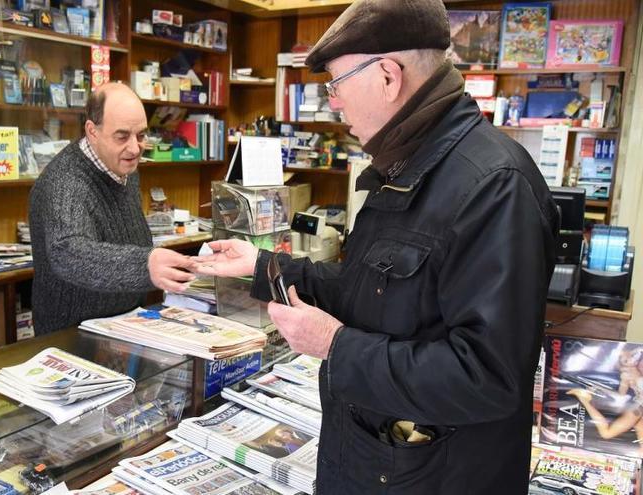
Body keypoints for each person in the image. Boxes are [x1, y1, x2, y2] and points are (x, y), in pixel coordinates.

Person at [193, 0, 559, 493]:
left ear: (387, 76)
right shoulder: (407, 166)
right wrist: (261, 264)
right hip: (376, 461)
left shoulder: (493, 185)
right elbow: (368, 291)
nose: (335, 103)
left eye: (337, 84)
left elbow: (487, 378)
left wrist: (334, 346)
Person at [29, 82, 194, 335]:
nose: (134, 148)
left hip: (126, 324)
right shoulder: (64, 182)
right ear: (92, 131)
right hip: (73, 334)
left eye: (141, 135)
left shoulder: (122, 165)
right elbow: (68, 253)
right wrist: (145, 265)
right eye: (122, 136)